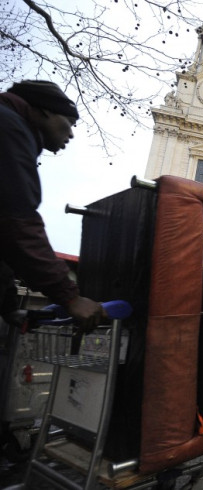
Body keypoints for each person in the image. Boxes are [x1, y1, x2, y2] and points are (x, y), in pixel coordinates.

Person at [0, 80, 104, 331]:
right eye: (70, 123)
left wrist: (8, 307)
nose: (71, 133)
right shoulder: (10, 128)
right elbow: (18, 224)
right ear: (46, 111)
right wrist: (70, 297)